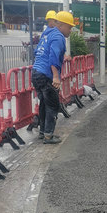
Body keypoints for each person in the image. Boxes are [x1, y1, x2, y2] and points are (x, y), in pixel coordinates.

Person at [31, 10, 75, 144]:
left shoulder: (47, 33)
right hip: (46, 75)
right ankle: (48, 136)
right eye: (69, 27)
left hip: (36, 72)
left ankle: (43, 132)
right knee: (53, 105)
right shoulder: (58, 37)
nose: (70, 30)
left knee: (44, 104)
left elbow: (37, 51)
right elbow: (53, 57)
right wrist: (56, 77)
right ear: (61, 25)